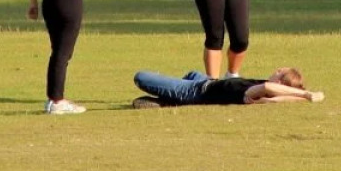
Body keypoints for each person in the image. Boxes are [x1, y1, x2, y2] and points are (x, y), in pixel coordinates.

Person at [131, 67, 322, 108]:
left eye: (280, 72)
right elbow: (283, 96)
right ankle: (166, 100)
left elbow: (267, 88)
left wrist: (307, 94)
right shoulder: (265, 89)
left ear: (279, 84)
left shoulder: (258, 92)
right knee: (192, 73)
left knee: (141, 77)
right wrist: (304, 96)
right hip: (206, 81)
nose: (276, 69)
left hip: (196, 92)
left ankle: (169, 102)